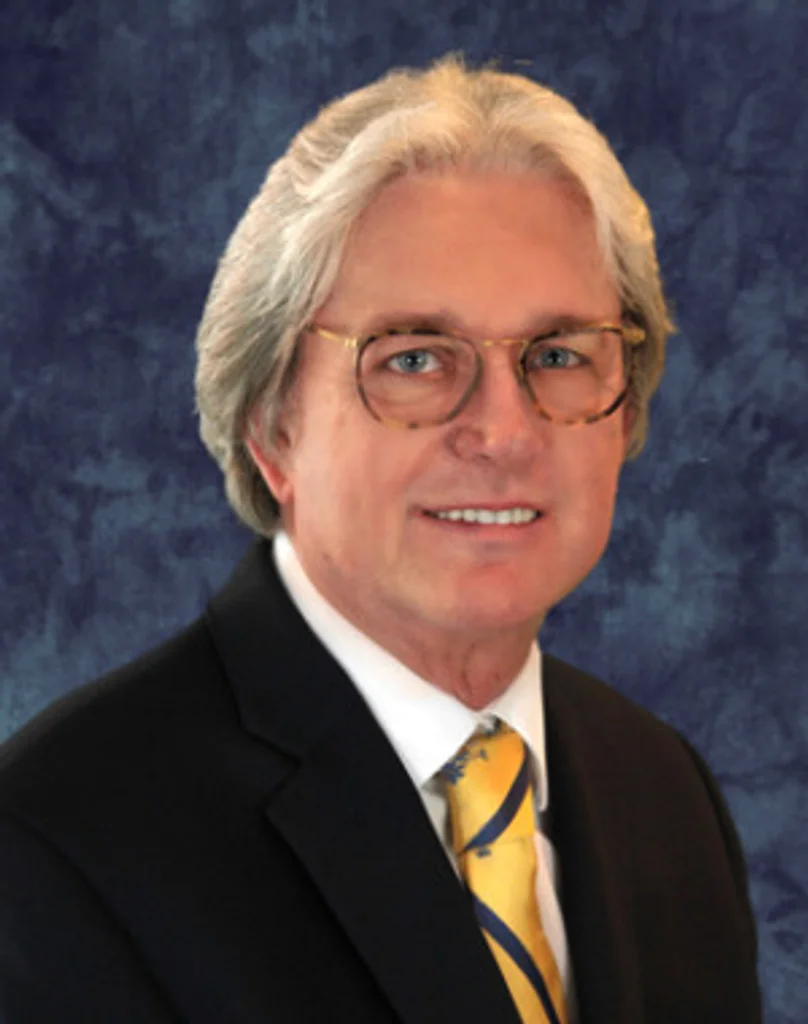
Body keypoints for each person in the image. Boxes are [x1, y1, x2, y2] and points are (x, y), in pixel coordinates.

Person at [0, 55, 761, 1023]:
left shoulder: (664, 795)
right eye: (413, 359)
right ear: (271, 424)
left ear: (625, 411)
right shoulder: (60, 841)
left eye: (557, 354)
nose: (503, 432)